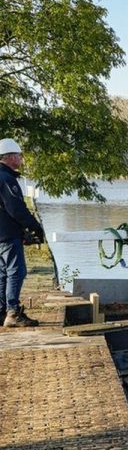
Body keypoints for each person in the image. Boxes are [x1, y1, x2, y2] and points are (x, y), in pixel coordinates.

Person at [0, 138, 45, 327]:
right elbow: (16, 208)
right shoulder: (6, 178)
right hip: (7, 234)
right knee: (17, 271)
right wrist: (35, 226)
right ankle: (13, 312)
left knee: (3, 272)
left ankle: (2, 311)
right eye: (19, 155)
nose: (21, 159)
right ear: (10, 157)